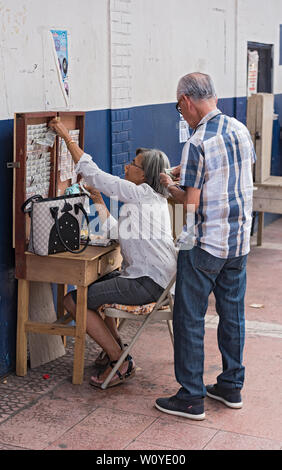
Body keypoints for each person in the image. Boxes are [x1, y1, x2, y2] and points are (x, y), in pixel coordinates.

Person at [155, 72, 256, 420]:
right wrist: (187, 170)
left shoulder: (197, 142)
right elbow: (227, 173)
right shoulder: (238, 129)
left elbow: (190, 205)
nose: (180, 114)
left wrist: (169, 183)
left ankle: (191, 397)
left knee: (190, 317)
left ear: (186, 101)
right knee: (232, 314)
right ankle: (231, 386)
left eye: (179, 107)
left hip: (205, 245)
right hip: (239, 242)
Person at [49, 118, 177, 388]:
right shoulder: (152, 199)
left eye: (133, 164)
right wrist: (97, 200)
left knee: (74, 301)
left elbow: (93, 173)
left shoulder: (140, 194)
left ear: (144, 175)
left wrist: (65, 136)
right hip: (158, 281)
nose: (127, 165)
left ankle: (120, 358)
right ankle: (115, 352)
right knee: (94, 290)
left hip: (147, 283)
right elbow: (116, 232)